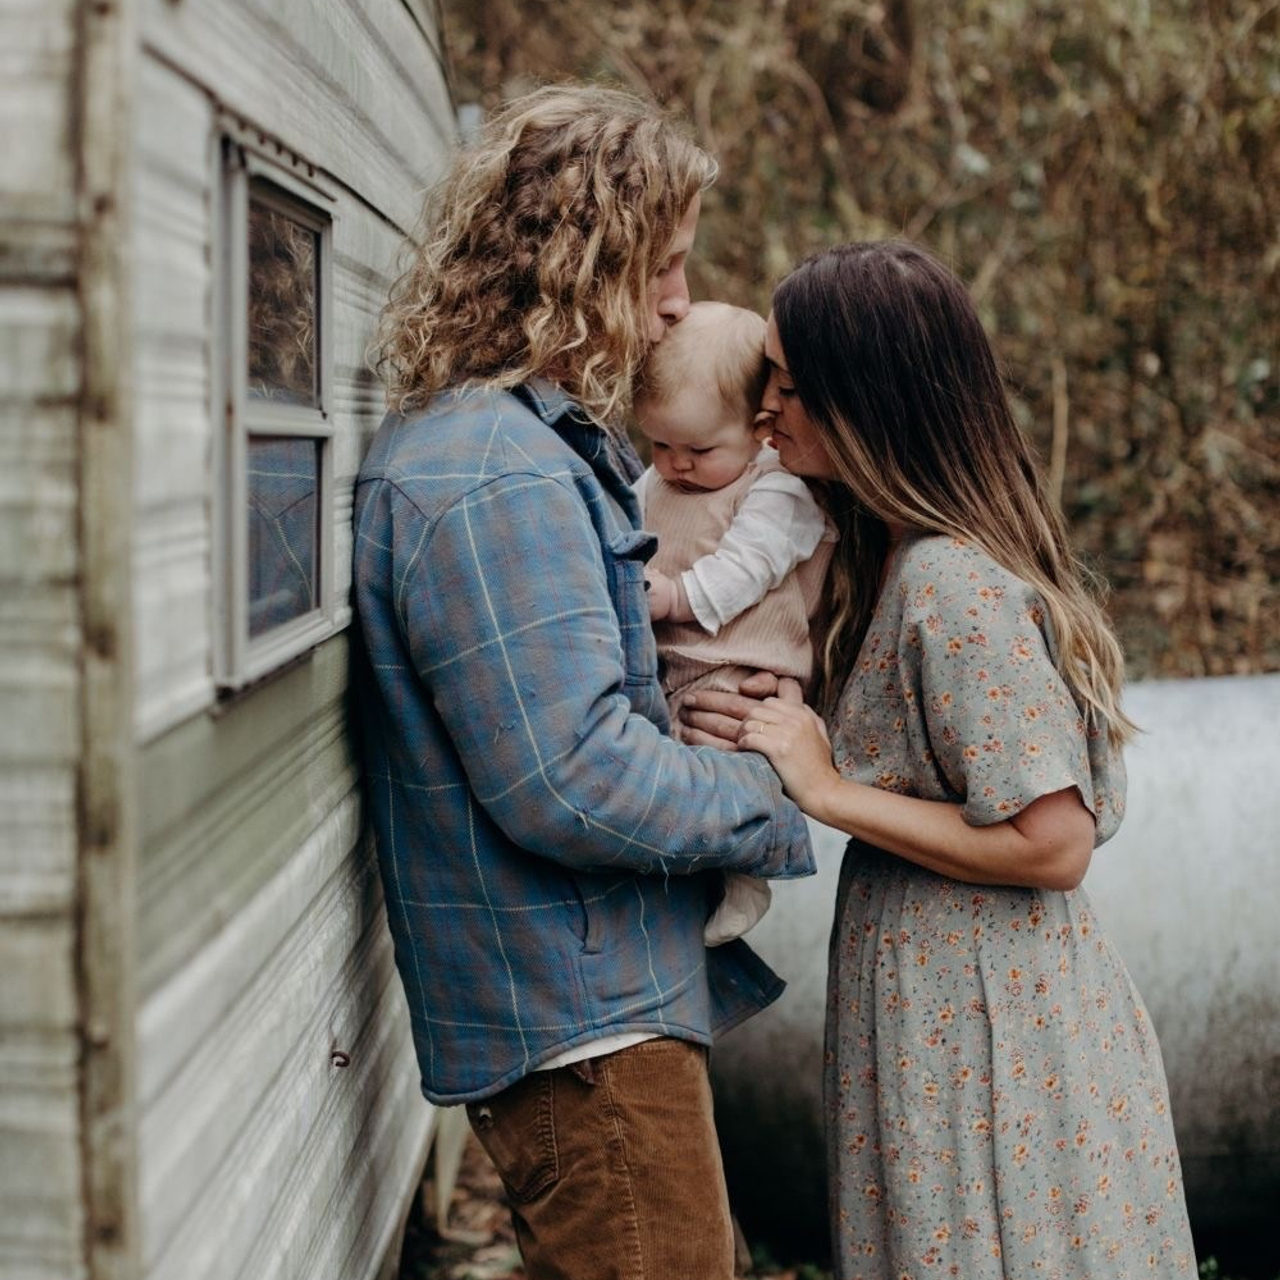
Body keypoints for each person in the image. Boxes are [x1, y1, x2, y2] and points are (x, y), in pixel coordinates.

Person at [352, 85, 815, 1280]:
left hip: (597, 1011)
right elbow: (568, 775)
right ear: (578, 260)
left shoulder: (516, 444)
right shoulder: (492, 472)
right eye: (659, 265)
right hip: (584, 1029)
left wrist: (684, 711)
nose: (677, 301)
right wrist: (768, 792)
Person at [684, 241, 1197, 1279]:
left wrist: (826, 787)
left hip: (986, 1022)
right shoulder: (891, 561)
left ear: (863, 397)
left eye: (786, 382)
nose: (764, 407)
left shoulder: (948, 587)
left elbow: (1051, 841)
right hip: (946, 1000)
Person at [632, 300, 834, 944]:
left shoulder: (776, 491)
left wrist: (674, 597)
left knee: (728, 765)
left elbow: (745, 571)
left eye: (697, 448)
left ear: (759, 431)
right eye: (659, 443)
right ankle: (690, 873)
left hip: (740, 663)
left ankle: (746, 873)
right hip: (672, 660)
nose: (676, 464)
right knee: (668, 762)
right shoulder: (657, 479)